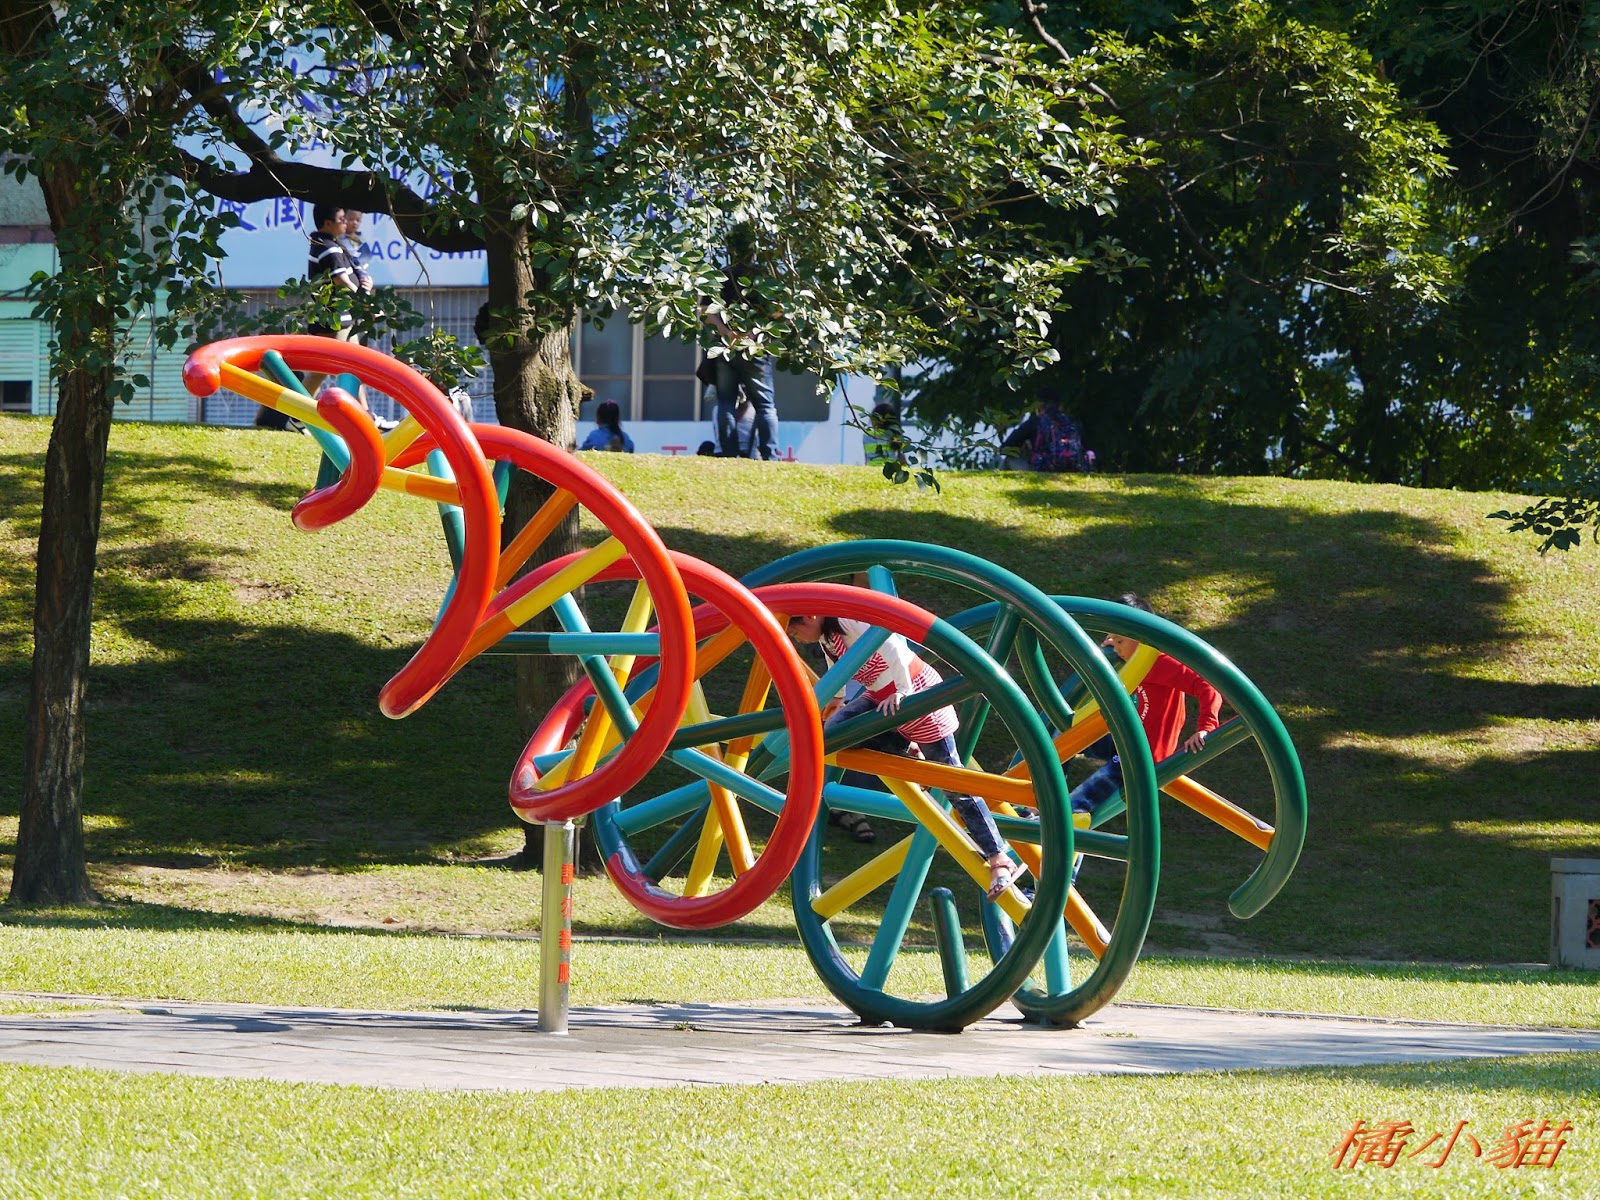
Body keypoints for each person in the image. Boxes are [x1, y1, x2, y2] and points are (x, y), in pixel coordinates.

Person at [788, 613, 1022, 899]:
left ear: (810, 616)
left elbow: (890, 643)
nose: (796, 639)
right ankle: (907, 749)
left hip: (916, 695)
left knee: (954, 783)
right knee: (834, 734)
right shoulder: (827, 636)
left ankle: (999, 857)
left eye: (794, 631)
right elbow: (837, 664)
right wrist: (838, 697)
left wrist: (903, 689)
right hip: (881, 698)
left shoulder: (848, 621)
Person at [1069, 593, 1223, 820]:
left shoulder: (1160, 662)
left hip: (1144, 755)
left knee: (1094, 788)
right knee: (1067, 735)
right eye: (1112, 639)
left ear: (1140, 638)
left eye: (1119, 641)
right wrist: (1115, 641)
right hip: (1125, 740)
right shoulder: (1128, 659)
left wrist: (1206, 727)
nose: (1116, 648)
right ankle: (1037, 799)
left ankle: (1070, 816)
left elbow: (1208, 685)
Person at [703, 225, 780, 460]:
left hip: (725, 348)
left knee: (726, 402)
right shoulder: (764, 276)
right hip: (755, 349)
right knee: (765, 405)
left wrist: (726, 332)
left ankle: (729, 453)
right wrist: (752, 333)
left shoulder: (720, 276)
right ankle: (770, 455)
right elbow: (778, 311)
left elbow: (706, 312)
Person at [999, 392, 1087, 472]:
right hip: (1074, 468)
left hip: (1044, 469)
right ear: (1060, 406)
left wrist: (1025, 447)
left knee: (1009, 459)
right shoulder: (1072, 422)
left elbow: (1004, 449)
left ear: (1038, 406)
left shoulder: (1036, 422)